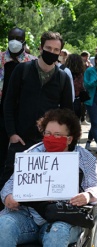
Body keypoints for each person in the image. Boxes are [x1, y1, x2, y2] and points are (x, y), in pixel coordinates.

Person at [0, 108, 97, 246]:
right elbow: (9, 185)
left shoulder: (84, 158)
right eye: (48, 133)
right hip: (29, 216)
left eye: (57, 134)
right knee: (4, 224)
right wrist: (8, 196)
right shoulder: (31, 155)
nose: (51, 138)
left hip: (62, 218)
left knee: (57, 232)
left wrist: (88, 195)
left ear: (69, 139)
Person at [0, 31, 73, 194]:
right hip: (21, 140)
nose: (52, 52)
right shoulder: (22, 70)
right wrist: (12, 133)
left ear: (60, 53)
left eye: (56, 50)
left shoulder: (62, 78)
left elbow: (68, 113)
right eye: (49, 48)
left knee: (42, 188)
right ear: (40, 48)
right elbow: (9, 103)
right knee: (8, 185)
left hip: (48, 142)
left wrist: (63, 141)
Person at [0, 27, 37, 207]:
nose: (14, 41)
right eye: (11, 37)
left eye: (18, 38)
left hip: (23, 118)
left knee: (20, 159)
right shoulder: (0, 60)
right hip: (1, 115)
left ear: (24, 41)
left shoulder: (33, 62)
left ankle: (20, 198)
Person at [65, 54, 87, 120]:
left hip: (66, 99)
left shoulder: (64, 72)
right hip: (77, 100)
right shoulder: (81, 74)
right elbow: (81, 86)